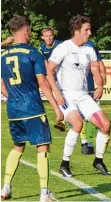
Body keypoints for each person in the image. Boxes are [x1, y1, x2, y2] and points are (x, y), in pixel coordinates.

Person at [0, 15, 63, 201]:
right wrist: (56, 107)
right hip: (32, 108)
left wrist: (11, 97)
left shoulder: (3, 55)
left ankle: (5, 188)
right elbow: (43, 83)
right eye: (29, 31)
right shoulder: (33, 52)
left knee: (18, 146)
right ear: (26, 31)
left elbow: (2, 83)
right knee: (43, 146)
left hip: (13, 109)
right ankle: (44, 193)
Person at [45, 15, 111, 177]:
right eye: (86, 30)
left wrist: (100, 85)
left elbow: (95, 69)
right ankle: (64, 164)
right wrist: (57, 93)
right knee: (77, 123)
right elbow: (48, 70)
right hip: (67, 95)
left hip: (83, 95)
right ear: (76, 31)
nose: (90, 33)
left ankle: (98, 161)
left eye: (90, 29)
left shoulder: (89, 50)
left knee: (105, 125)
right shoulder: (63, 48)